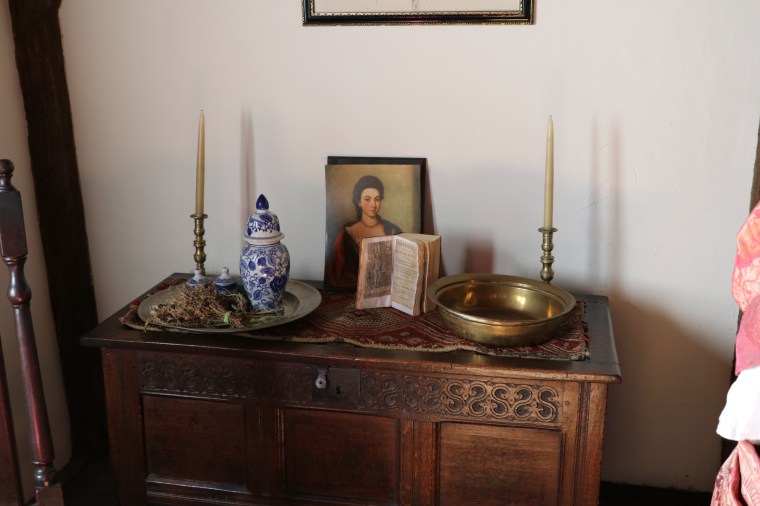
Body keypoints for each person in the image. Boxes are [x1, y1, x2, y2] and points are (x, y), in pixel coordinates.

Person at [325, 175, 402, 290]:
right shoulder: (347, 232)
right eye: (367, 199)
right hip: (353, 291)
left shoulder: (392, 230)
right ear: (358, 202)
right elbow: (337, 275)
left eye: (377, 199)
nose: (373, 205)